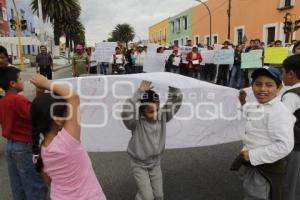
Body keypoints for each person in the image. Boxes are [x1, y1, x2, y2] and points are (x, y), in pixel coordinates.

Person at [30, 74, 106, 200]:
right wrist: (46, 82)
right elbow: (73, 97)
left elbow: (49, 181)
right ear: (58, 120)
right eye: (67, 113)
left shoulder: (38, 151)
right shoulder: (66, 142)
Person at [238, 66, 295, 200]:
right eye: (258, 84)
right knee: (249, 189)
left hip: (264, 167)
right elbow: (248, 110)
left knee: (257, 195)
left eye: (269, 85)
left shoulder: (279, 113)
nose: (263, 89)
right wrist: (242, 101)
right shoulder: (259, 104)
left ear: (279, 88)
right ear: (252, 86)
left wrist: (252, 155)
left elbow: (284, 145)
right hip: (252, 162)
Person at [122, 80, 183, 200]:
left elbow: (175, 101)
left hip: (155, 163)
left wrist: (172, 84)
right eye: (150, 111)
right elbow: (126, 112)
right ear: (142, 111)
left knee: (159, 196)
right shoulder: (135, 123)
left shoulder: (163, 116)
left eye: (157, 109)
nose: (155, 114)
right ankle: (142, 196)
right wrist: (139, 93)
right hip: (139, 164)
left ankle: (143, 194)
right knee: (148, 197)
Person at [0, 67, 48, 200]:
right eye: (20, 78)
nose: (23, 81)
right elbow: (35, 114)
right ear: (12, 84)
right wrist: (39, 93)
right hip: (24, 147)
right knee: (34, 184)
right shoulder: (18, 100)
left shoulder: (2, 101)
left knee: (17, 185)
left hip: (10, 147)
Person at [281, 55, 300, 200]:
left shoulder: (292, 95)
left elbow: (282, 121)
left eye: (283, 72)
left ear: (291, 73)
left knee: (289, 183)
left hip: (295, 145)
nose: (282, 76)